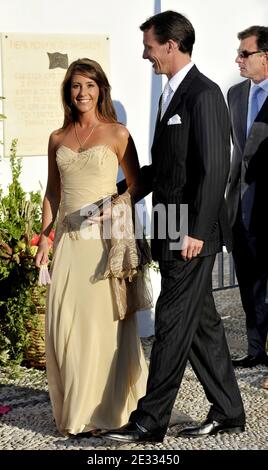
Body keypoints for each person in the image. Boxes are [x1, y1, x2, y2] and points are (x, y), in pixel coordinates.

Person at [103, 10, 245, 443]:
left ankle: (150, 422)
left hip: (190, 234)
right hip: (170, 227)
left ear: (170, 44)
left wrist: (198, 231)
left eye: (149, 47)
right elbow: (167, 169)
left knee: (169, 321)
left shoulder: (204, 94)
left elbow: (216, 166)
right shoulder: (168, 95)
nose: (146, 55)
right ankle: (229, 412)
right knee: (201, 325)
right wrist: (121, 194)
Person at [35, 58, 150, 436]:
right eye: (75, 86)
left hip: (103, 243)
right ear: (67, 93)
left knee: (101, 327)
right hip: (69, 242)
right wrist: (45, 240)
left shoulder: (118, 133)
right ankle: (75, 407)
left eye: (89, 85)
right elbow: (53, 192)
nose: (82, 93)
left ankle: (100, 413)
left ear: (101, 89)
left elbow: (135, 185)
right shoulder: (57, 138)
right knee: (65, 325)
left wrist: (114, 207)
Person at [226, 26, 268, 369]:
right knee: (248, 281)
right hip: (240, 205)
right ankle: (256, 349)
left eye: (244, 53)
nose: (238, 59)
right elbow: (237, 154)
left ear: (265, 57)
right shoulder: (235, 95)